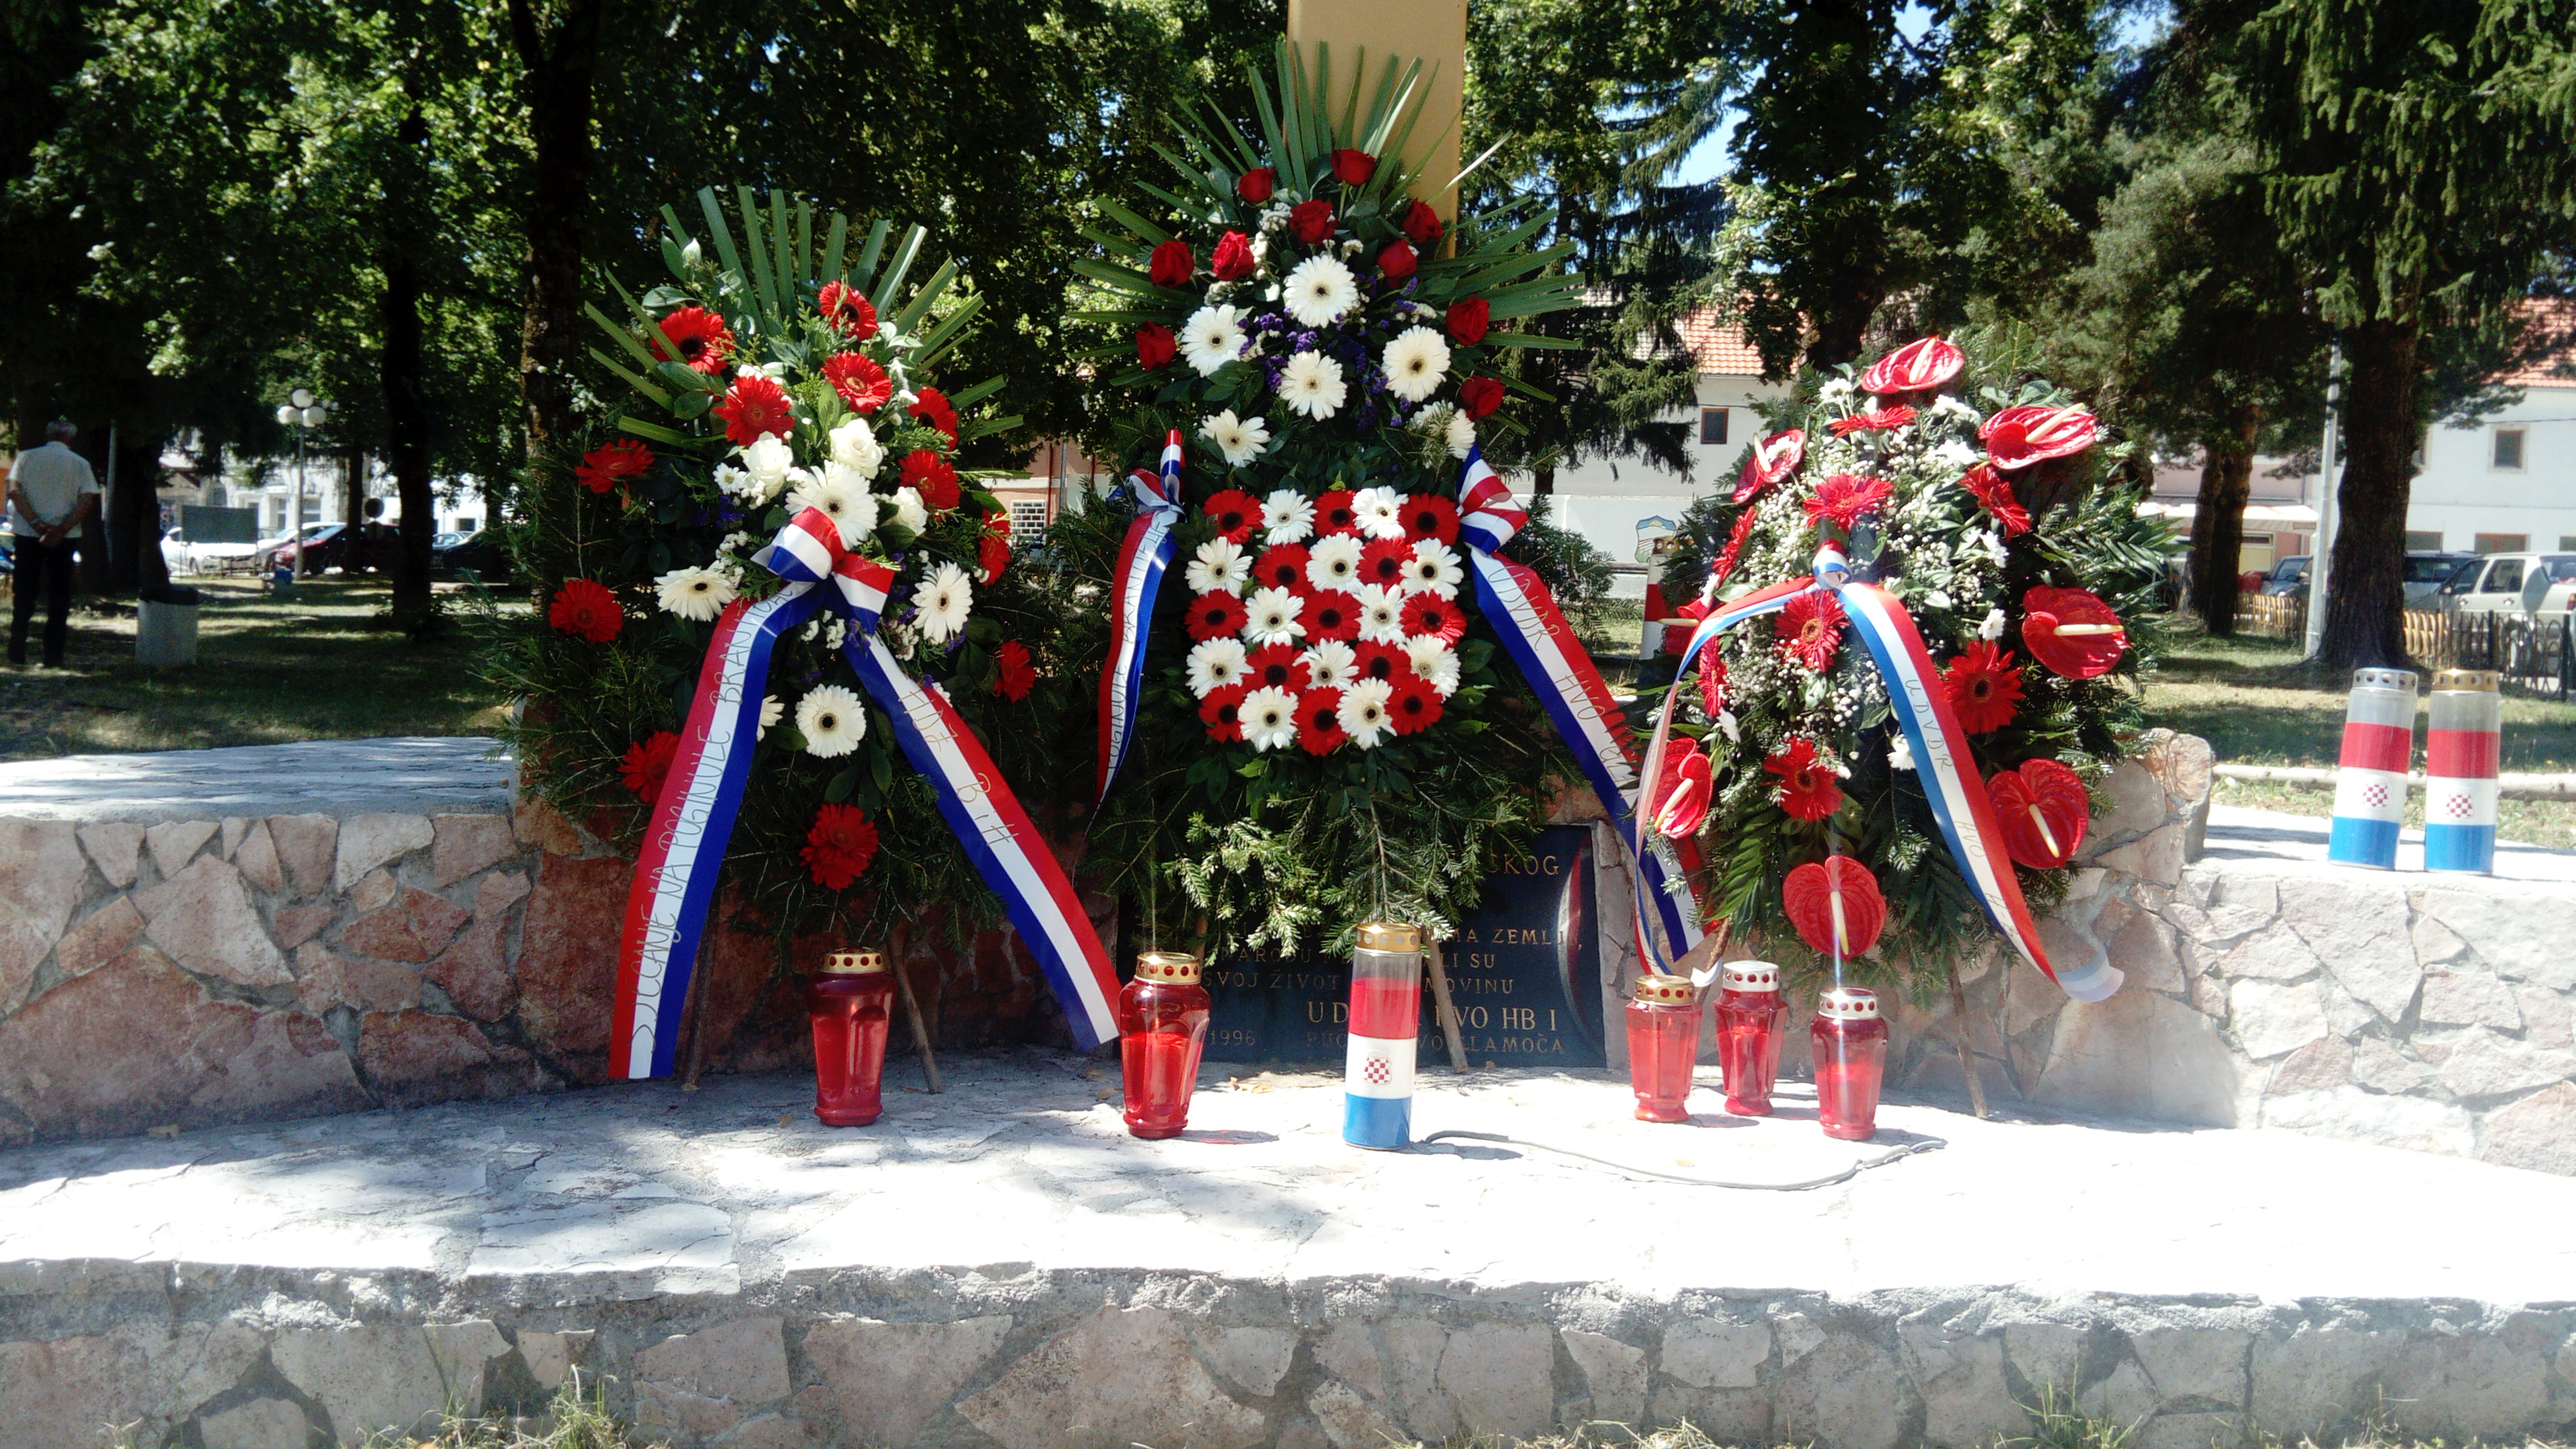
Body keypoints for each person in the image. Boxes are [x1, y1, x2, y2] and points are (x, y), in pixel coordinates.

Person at [8, 420, 99, 668]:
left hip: (28, 533)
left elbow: (14, 491)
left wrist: (37, 524)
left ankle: (16, 649)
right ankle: (53, 655)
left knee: (24, 592)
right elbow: (87, 497)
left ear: (47, 434)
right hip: (65, 537)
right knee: (60, 595)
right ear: (71, 438)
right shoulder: (80, 463)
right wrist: (61, 528)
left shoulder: (25, 458)